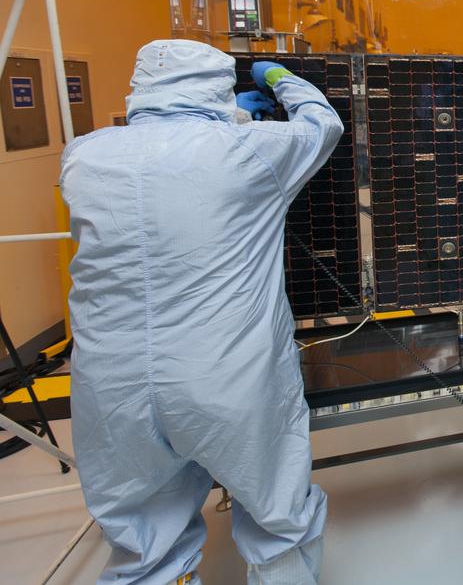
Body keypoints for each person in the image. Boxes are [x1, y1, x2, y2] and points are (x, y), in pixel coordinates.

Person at [60, 40, 343, 583]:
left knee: (145, 544)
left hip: (110, 387)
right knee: (277, 520)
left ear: (141, 86)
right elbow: (322, 124)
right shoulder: (252, 152)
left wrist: (233, 117)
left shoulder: (83, 155)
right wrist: (279, 77)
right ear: (218, 86)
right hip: (225, 377)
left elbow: (169, 177)